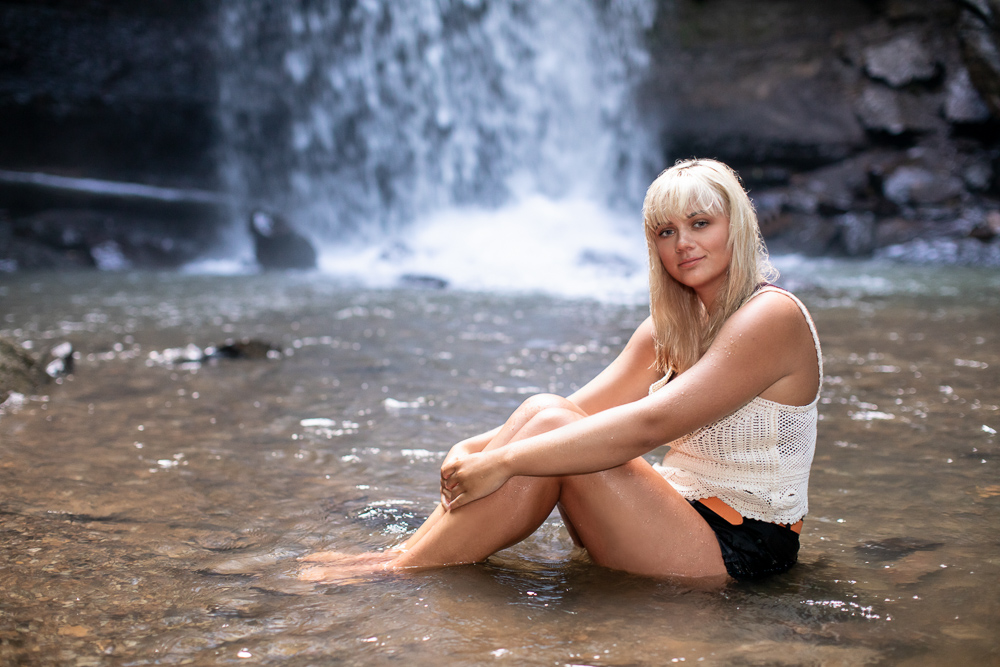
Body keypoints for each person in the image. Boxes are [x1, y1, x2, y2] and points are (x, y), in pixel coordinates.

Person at [301, 158, 823, 584]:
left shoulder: (770, 317)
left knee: (551, 427)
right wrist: (476, 449)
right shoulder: (672, 327)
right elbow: (586, 408)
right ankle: (406, 555)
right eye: (666, 231)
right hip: (671, 512)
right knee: (544, 409)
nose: (683, 243)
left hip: (741, 548)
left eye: (701, 224)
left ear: (738, 225)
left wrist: (503, 462)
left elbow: (648, 426)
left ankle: (396, 571)